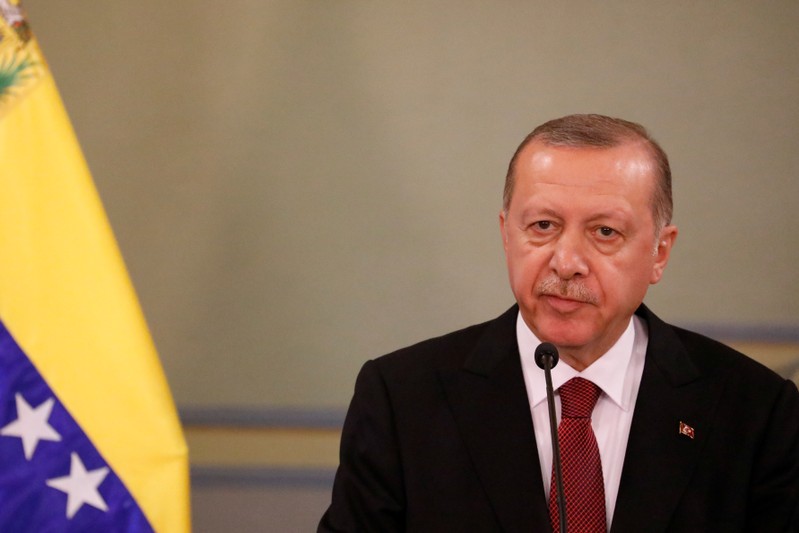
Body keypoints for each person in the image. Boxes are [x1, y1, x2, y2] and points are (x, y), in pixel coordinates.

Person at [318, 114, 799, 532]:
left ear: (660, 252)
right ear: (507, 236)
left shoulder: (755, 410)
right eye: (543, 226)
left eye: (604, 232)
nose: (566, 262)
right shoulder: (403, 399)